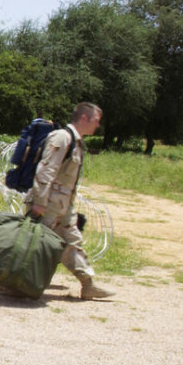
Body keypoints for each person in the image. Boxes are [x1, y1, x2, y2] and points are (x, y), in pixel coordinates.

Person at [24, 102, 115, 300]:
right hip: (47, 204)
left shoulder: (76, 141)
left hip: (62, 206)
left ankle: (88, 285)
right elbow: (46, 170)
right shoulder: (62, 138)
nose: (98, 126)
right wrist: (39, 202)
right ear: (84, 118)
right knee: (35, 246)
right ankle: (11, 282)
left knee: (73, 242)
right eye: (96, 121)